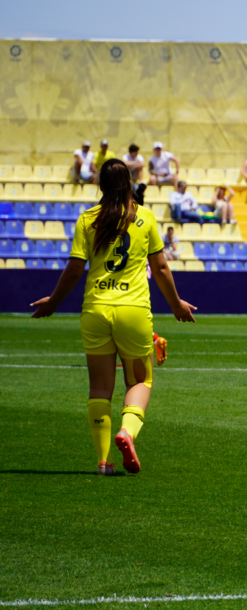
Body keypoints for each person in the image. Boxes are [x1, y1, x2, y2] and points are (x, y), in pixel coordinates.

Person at [30, 158, 195, 476]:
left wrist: (53, 302)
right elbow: (160, 268)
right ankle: (127, 433)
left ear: (100, 185)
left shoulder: (87, 219)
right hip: (132, 311)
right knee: (140, 380)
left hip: (95, 311)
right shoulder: (144, 217)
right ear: (131, 184)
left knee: (99, 389)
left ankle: (103, 461)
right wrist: (175, 305)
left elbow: (76, 268)